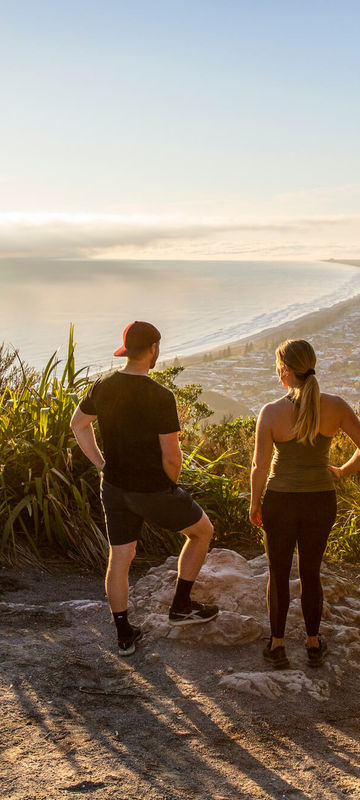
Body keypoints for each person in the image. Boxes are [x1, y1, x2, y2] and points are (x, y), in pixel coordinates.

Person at [70, 320, 218, 656]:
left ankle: (124, 635)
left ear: (126, 351)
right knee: (202, 531)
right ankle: (181, 607)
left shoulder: (102, 386)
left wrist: (101, 464)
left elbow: (78, 425)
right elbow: (172, 457)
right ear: (153, 350)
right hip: (151, 489)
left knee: (119, 558)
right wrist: (169, 488)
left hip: (115, 486)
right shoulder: (160, 396)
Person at [250, 338, 360, 669]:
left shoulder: (271, 412)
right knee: (311, 572)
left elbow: (258, 466)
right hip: (320, 501)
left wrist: (255, 503)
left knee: (278, 572)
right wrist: (342, 471)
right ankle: (313, 644)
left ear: (284, 372)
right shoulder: (336, 406)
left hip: (279, 502)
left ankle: (277, 645)